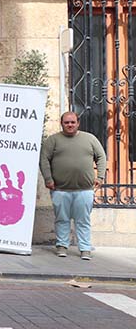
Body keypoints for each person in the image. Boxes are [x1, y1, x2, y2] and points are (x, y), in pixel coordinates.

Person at [39, 111, 107, 260]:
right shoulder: (53, 140)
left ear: (78, 123)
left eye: (72, 122)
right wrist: (48, 178)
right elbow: (44, 159)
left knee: (83, 220)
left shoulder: (90, 139)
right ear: (62, 123)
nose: (70, 125)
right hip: (60, 190)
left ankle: (85, 249)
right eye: (66, 122)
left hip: (84, 190)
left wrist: (100, 177)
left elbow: (101, 156)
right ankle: (62, 246)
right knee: (62, 219)